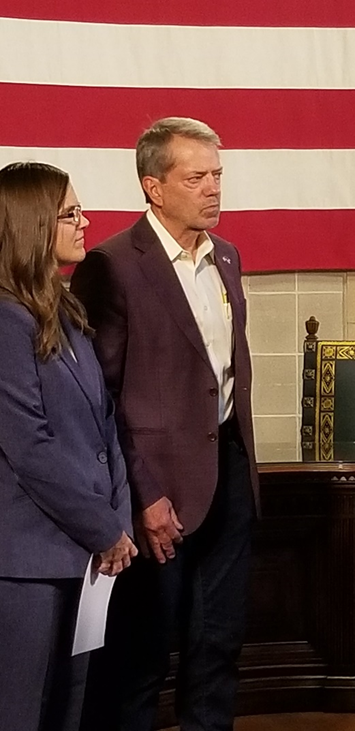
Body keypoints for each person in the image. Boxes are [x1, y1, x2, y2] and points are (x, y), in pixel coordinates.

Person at [72, 117, 259, 731]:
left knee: (217, 647)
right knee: (139, 659)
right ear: (154, 186)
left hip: (228, 476)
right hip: (155, 493)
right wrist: (143, 494)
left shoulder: (226, 257)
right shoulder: (113, 265)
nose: (213, 188)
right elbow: (103, 396)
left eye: (218, 175)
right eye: (196, 176)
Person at [0, 161, 137, 731]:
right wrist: (103, 529)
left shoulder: (64, 310)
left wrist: (117, 525)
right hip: (27, 565)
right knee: (22, 714)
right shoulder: (5, 322)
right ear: (33, 226)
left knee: (69, 713)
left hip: (82, 555)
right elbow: (30, 447)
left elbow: (105, 427)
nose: (86, 222)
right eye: (70, 213)